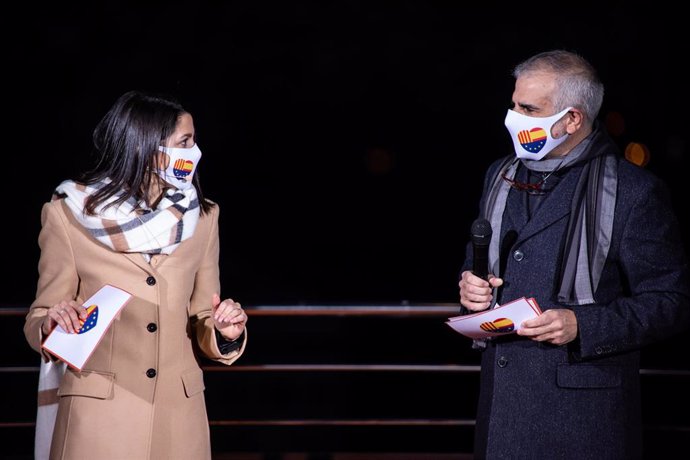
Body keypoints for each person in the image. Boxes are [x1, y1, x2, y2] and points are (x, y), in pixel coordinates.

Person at [458, 50, 690, 459]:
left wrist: (582, 324)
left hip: (583, 423)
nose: (514, 117)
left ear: (572, 119)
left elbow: (671, 302)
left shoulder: (634, 192)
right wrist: (471, 286)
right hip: (501, 417)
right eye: (513, 104)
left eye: (529, 109)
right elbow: (480, 260)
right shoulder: (500, 175)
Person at [24, 90, 248, 459]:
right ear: (148, 147)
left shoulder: (205, 218)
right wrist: (52, 322)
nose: (195, 152)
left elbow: (202, 317)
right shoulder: (69, 215)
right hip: (98, 420)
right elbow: (40, 315)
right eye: (185, 142)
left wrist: (226, 333)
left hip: (179, 419)